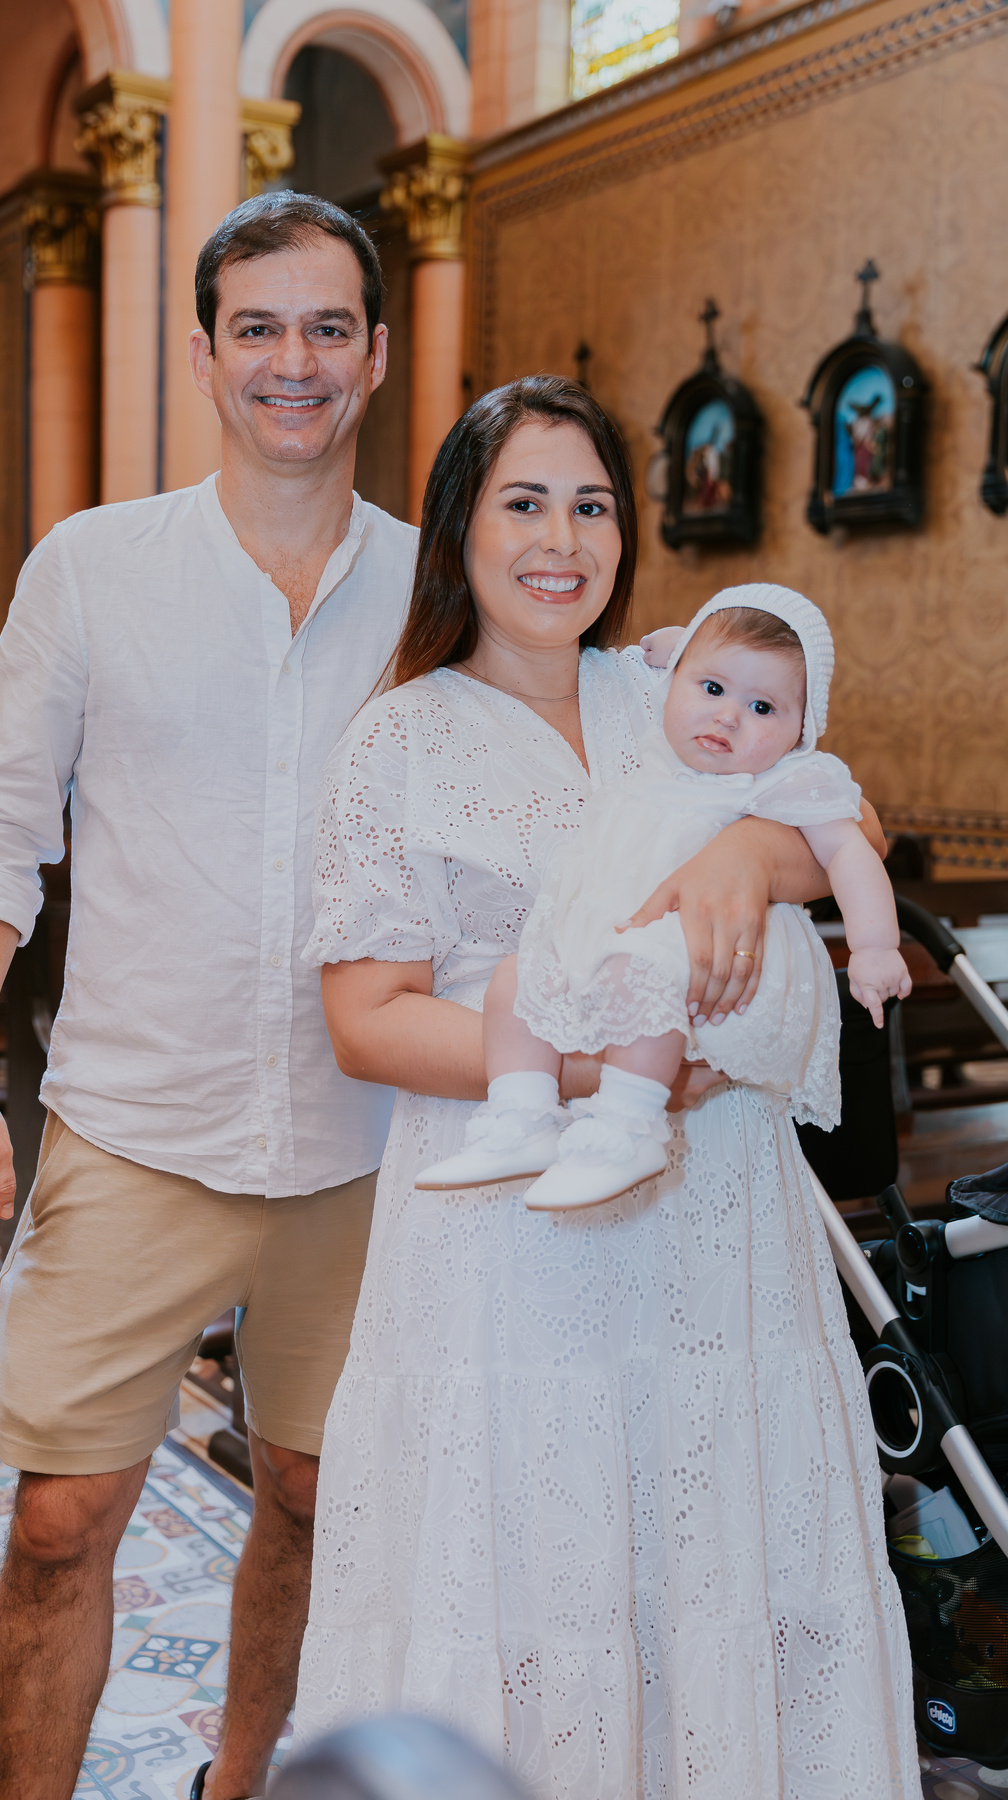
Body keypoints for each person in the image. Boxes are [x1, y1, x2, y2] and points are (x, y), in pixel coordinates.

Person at [293, 376, 916, 1796]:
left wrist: (743, 861)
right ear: (460, 527)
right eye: (523, 502)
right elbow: (367, 1022)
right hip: (508, 1245)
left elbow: (845, 811)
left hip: (718, 1232)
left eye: (590, 504)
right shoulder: (398, 740)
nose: (559, 537)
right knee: (533, 1583)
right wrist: (584, 1066)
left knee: (714, 1572)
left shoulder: (670, 681)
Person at [0, 192, 416, 1800]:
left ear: (377, 355)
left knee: (313, 1493)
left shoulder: (442, 593)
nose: (294, 363)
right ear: (204, 355)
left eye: (327, 327)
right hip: (137, 1123)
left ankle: (239, 1785)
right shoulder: (94, 568)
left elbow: (631, 734)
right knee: (62, 1519)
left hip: (364, 1138)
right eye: (258, 328)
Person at [415, 584, 912, 1209]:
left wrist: (873, 946)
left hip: (720, 958)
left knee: (639, 969)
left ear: (800, 732)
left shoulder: (782, 781)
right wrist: (682, 649)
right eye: (712, 690)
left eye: (764, 708)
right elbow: (702, 661)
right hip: (630, 940)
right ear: (676, 682)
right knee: (519, 978)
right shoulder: (666, 742)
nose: (728, 716)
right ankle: (522, 1117)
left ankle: (629, 1127)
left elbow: (850, 849)